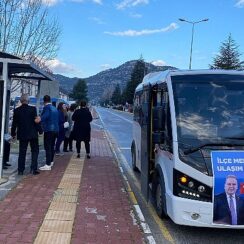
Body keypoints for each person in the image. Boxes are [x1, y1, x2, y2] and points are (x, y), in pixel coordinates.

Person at [11, 94, 40, 175]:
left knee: (22, 152)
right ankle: (33, 169)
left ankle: (20, 170)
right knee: (34, 151)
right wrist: (40, 130)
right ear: (28, 101)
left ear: (20, 101)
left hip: (22, 134)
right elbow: (36, 121)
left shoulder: (17, 111)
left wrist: (13, 133)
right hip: (33, 134)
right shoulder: (33, 109)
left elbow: (14, 124)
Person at [36, 95, 59, 171]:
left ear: (44, 101)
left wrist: (39, 119)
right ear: (50, 100)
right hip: (56, 130)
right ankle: (51, 161)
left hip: (49, 130)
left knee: (48, 147)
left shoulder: (47, 108)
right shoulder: (54, 108)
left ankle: (47, 165)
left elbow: (44, 117)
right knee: (52, 146)